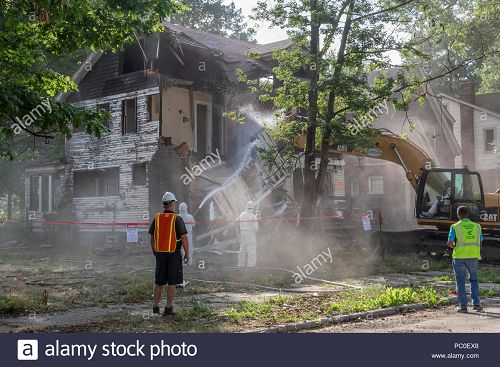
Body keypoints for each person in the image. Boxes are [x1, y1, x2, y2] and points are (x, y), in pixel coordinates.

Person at [149, 192, 189, 316]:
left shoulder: (157, 218)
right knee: (172, 282)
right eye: (174, 202)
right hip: (174, 254)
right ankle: (168, 308)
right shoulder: (178, 219)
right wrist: (187, 254)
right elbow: (184, 238)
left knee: (159, 282)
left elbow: (152, 236)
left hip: (160, 254)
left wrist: (154, 250)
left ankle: (155, 308)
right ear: (171, 203)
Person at [447, 205, 483, 313]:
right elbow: (480, 243)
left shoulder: (455, 226)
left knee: (460, 281)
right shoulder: (477, 226)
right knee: (474, 280)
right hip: (473, 257)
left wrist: (455, 247)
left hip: (459, 257)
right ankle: (476, 304)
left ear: (458, 215)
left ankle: (463, 307)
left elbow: (450, 243)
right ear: (468, 214)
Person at [238, 200, 259, 268]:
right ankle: (251, 265)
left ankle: (240, 265)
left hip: (243, 233)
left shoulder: (242, 214)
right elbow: (256, 228)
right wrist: (257, 230)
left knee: (242, 249)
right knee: (251, 249)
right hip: (250, 233)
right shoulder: (253, 216)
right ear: (253, 208)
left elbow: (238, 222)